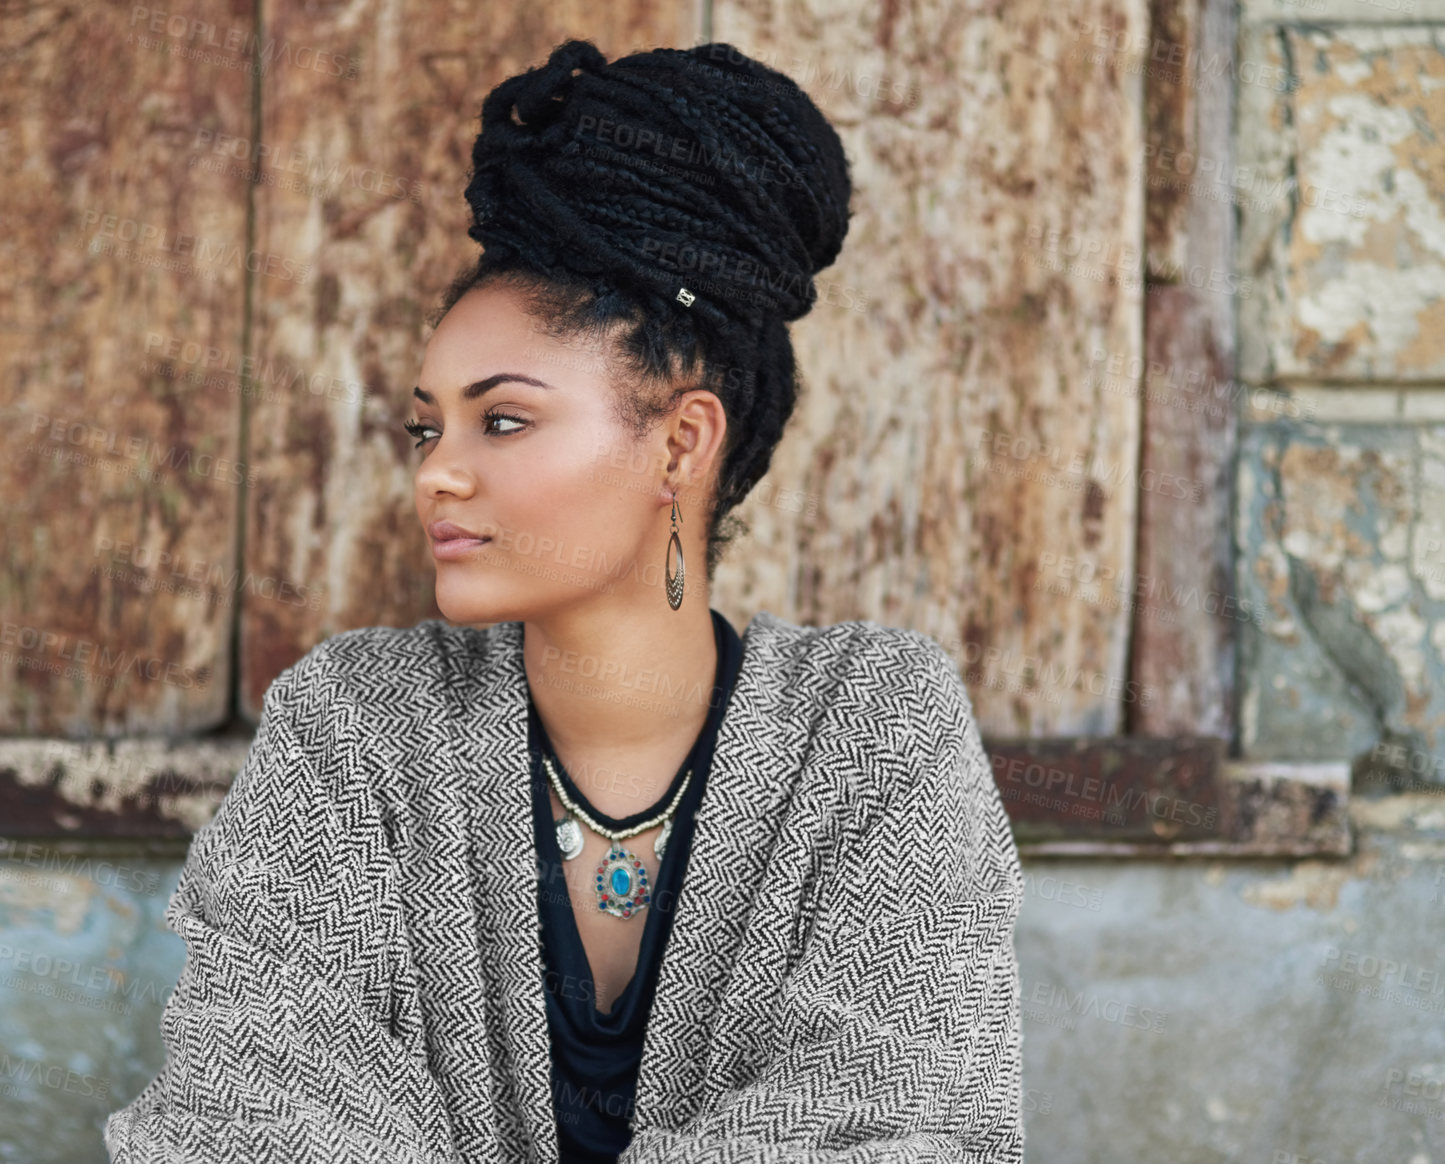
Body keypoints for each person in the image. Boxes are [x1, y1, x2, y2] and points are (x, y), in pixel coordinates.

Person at [105, 38, 1024, 1164]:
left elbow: (909, 1119)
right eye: (423, 427)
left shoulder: (877, 722)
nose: (437, 470)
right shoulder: (350, 722)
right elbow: (246, 1100)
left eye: (501, 420)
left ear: (681, 441)